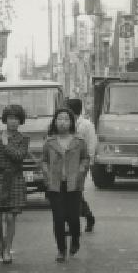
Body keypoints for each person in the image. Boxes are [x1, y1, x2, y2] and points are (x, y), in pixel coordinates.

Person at [0, 104, 30, 264]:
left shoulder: (23, 139)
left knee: (10, 218)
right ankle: (2, 242)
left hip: (14, 180)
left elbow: (19, 157)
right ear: (5, 120)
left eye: (16, 118)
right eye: (10, 118)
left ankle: (8, 249)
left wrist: (6, 144)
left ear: (20, 121)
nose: (13, 122)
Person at [42, 108, 90, 263]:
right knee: (59, 218)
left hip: (73, 185)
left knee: (74, 219)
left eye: (66, 119)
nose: (63, 122)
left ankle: (75, 240)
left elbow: (85, 158)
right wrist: (47, 174)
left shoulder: (79, 141)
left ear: (71, 122)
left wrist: (81, 171)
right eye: (60, 119)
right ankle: (61, 249)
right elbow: (44, 160)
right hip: (55, 185)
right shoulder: (49, 142)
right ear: (55, 122)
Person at [66, 99, 96, 232]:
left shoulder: (86, 125)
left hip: (81, 164)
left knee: (75, 192)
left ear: (72, 110)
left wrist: (87, 163)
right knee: (70, 193)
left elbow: (92, 144)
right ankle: (88, 216)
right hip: (66, 164)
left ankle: (73, 225)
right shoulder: (65, 124)